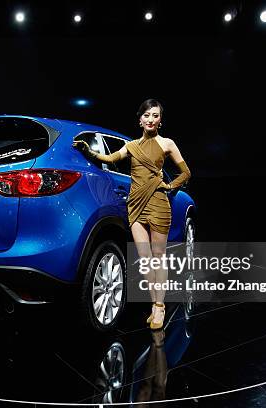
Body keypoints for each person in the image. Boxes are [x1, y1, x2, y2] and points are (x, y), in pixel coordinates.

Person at [72, 99, 191, 329]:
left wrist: (170, 186)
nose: (150, 119)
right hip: (135, 205)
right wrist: (89, 152)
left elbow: (185, 172)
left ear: (160, 121)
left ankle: (159, 307)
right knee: (145, 260)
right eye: (147, 115)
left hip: (158, 203)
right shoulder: (132, 146)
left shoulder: (167, 143)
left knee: (158, 258)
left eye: (155, 115)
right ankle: (155, 303)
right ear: (140, 119)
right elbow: (111, 158)